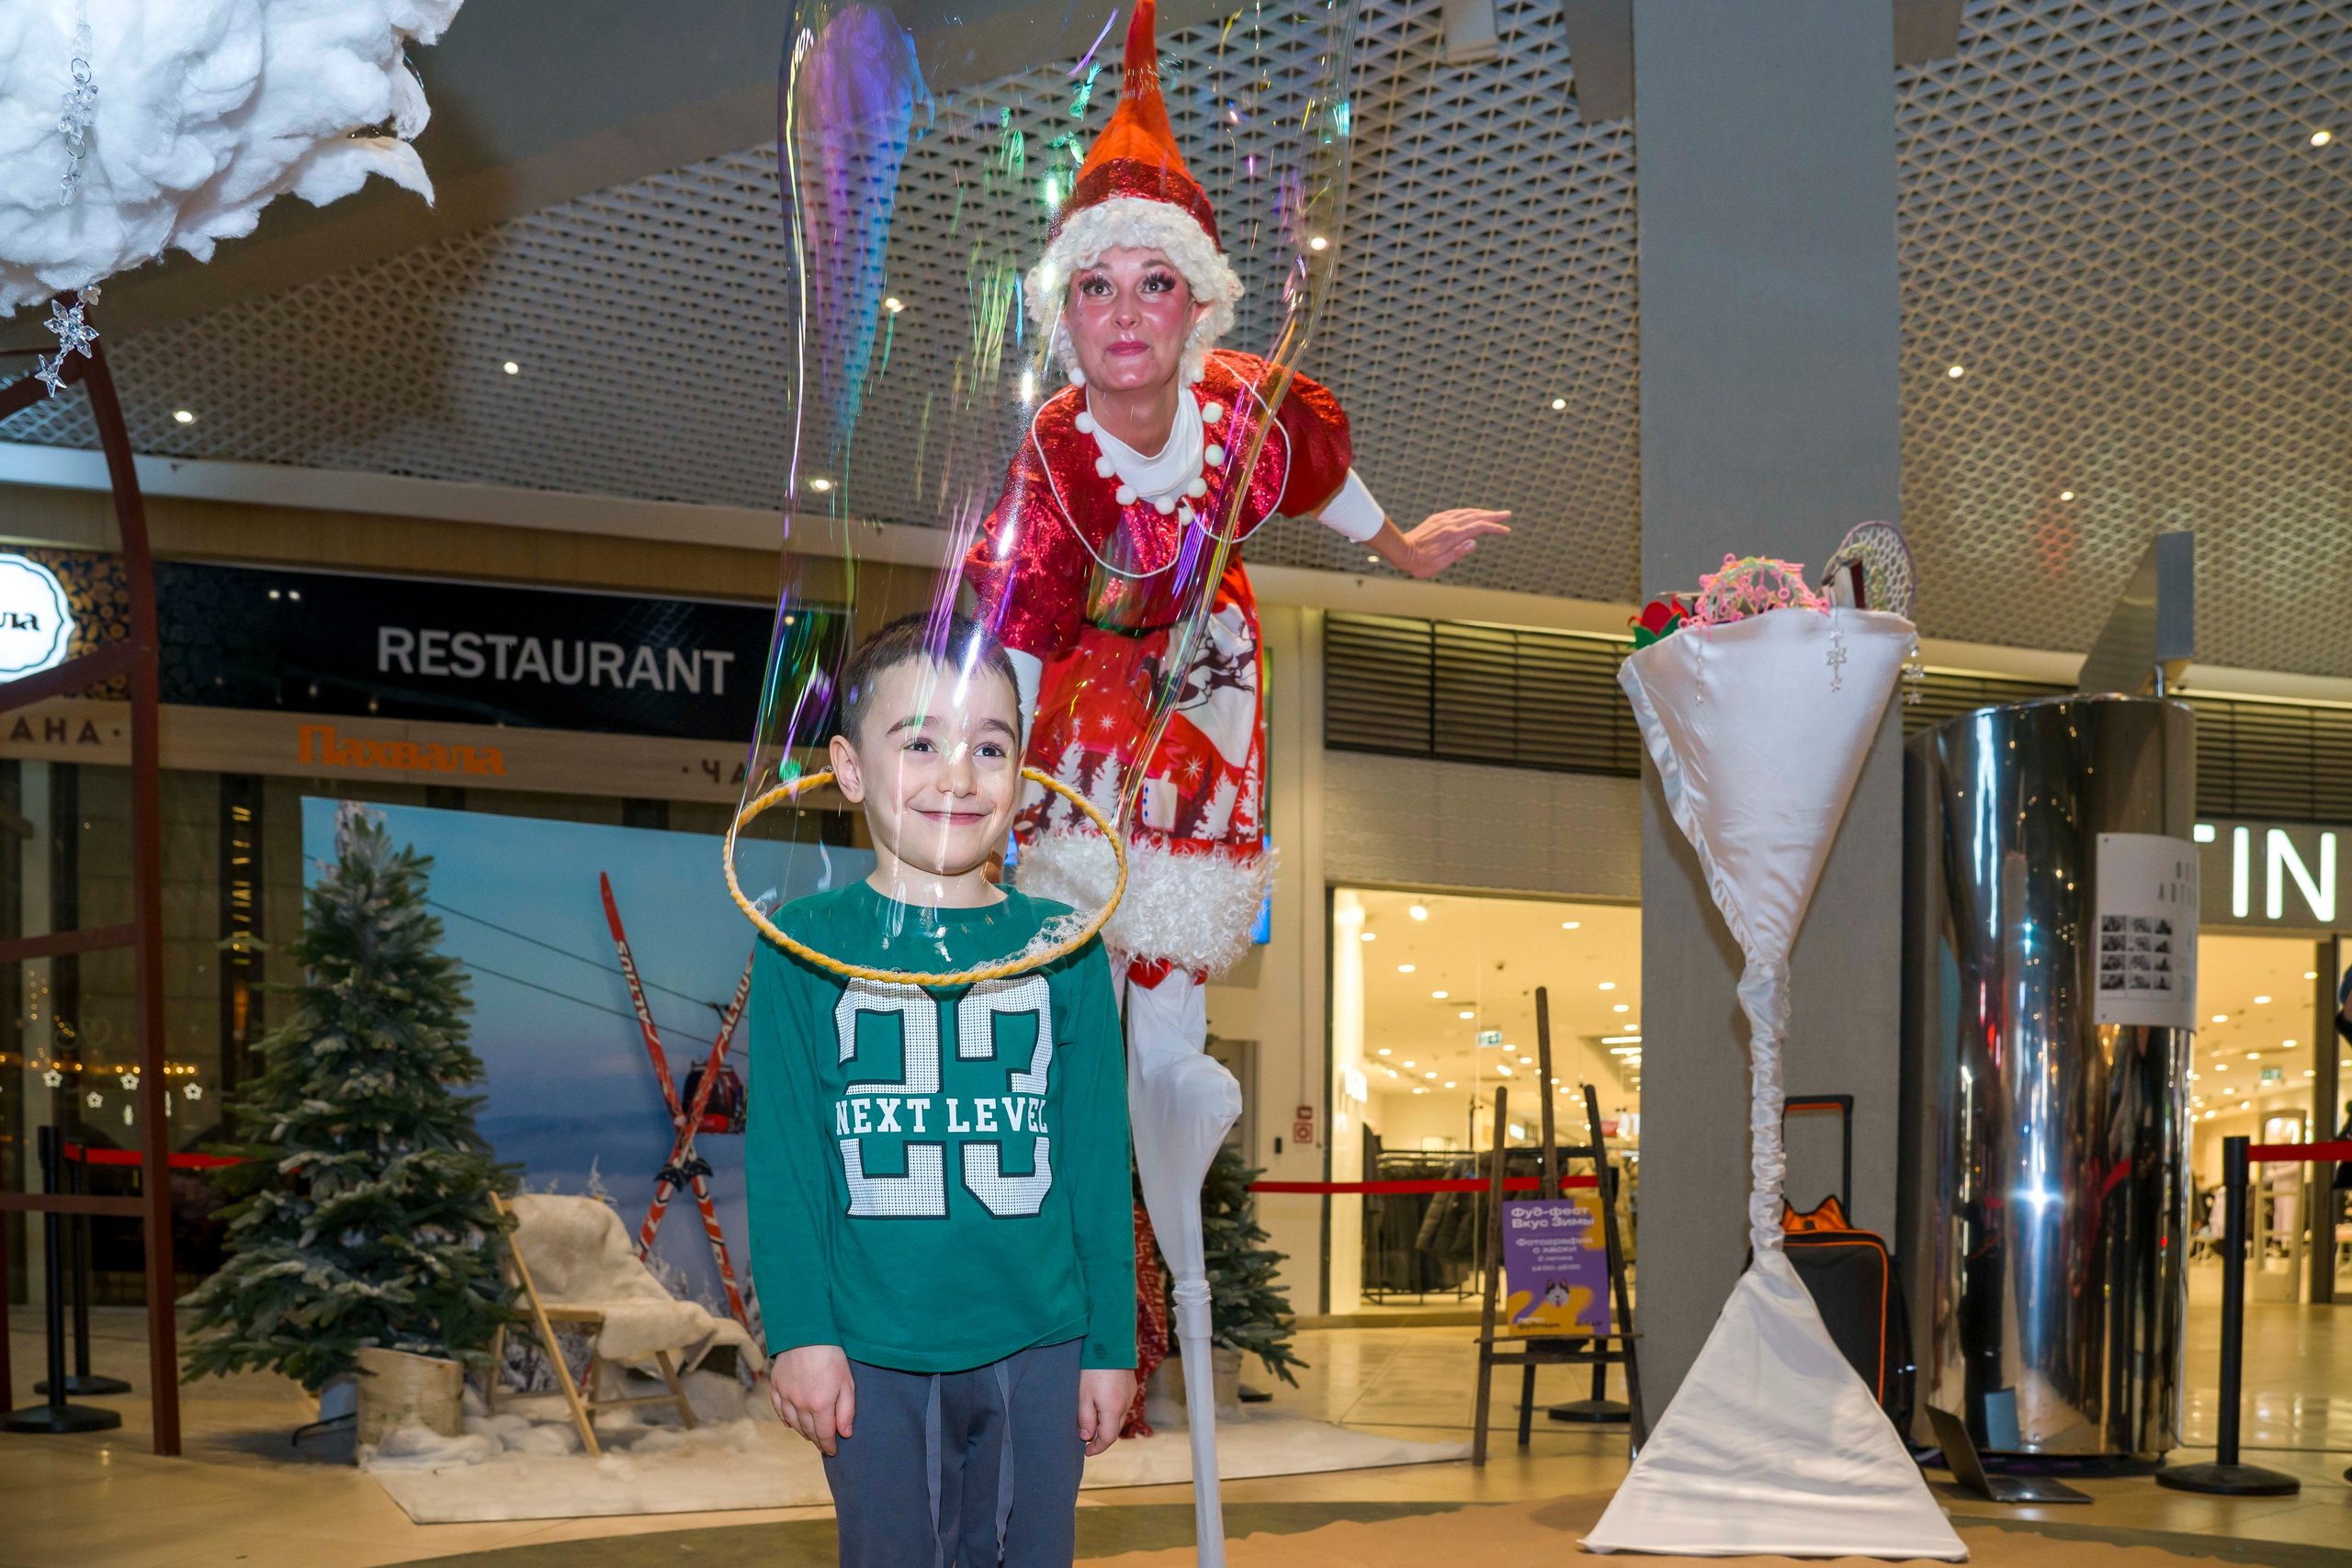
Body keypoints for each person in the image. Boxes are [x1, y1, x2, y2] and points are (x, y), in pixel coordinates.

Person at [965, 0, 1510, 1072]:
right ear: (1064, 316)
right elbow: (1023, 641)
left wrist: (1400, 549)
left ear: (1199, 307)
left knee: (1176, 965)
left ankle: (1171, 1201)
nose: (1126, 314)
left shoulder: (1249, 408)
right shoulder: (1057, 456)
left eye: (1154, 284)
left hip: (1208, 664)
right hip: (1084, 678)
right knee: (1076, 938)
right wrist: (992, 793)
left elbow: (1319, 474)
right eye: (1097, 287)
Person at [746, 613, 1136, 1568]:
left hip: (1040, 1340)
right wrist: (799, 1333)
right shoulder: (801, 941)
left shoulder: (1065, 946)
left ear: (1021, 767)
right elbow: (786, 1160)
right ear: (848, 767)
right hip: (870, 1344)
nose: (958, 776)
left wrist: (1110, 1344)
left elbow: (1094, 1157)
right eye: (919, 742)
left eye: (988, 747)